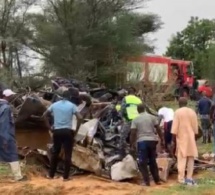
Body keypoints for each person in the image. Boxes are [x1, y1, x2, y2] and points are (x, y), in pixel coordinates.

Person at [43, 90, 83, 181]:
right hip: (67, 131)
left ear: (61, 97)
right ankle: (65, 177)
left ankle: (51, 175)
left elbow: (44, 116)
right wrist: (76, 131)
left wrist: (50, 128)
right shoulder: (72, 106)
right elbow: (80, 118)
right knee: (68, 154)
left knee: (55, 153)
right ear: (70, 97)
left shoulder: (54, 105)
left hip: (56, 131)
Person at [130, 104, 164, 186]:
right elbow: (158, 128)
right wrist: (162, 139)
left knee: (142, 162)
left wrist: (132, 144)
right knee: (153, 161)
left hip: (142, 142)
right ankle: (157, 180)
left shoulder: (135, 119)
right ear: (145, 109)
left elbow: (133, 133)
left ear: (138, 111)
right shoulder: (152, 117)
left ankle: (146, 182)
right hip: (152, 141)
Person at [171, 97, 198, 186]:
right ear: (187, 103)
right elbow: (195, 129)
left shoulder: (177, 112)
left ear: (179, 103)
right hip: (191, 137)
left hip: (182, 138)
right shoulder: (192, 112)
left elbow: (174, 129)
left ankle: (181, 178)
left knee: (182, 158)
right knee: (191, 158)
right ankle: (189, 177)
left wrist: (173, 141)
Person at [0, 89, 26, 181]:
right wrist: (5, 138)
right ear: (6, 96)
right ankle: (18, 177)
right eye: (11, 96)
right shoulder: (6, 108)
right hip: (5, 135)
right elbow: (4, 124)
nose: (12, 97)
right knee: (12, 154)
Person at [119, 87, 142, 158]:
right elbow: (142, 110)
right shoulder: (139, 100)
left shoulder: (125, 98)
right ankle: (136, 155)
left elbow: (122, 110)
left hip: (128, 120)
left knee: (123, 137)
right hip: (138, 121)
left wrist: (122, 118)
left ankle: (122, 155)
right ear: (135, 92)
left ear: (128, 92)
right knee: (137, 138)